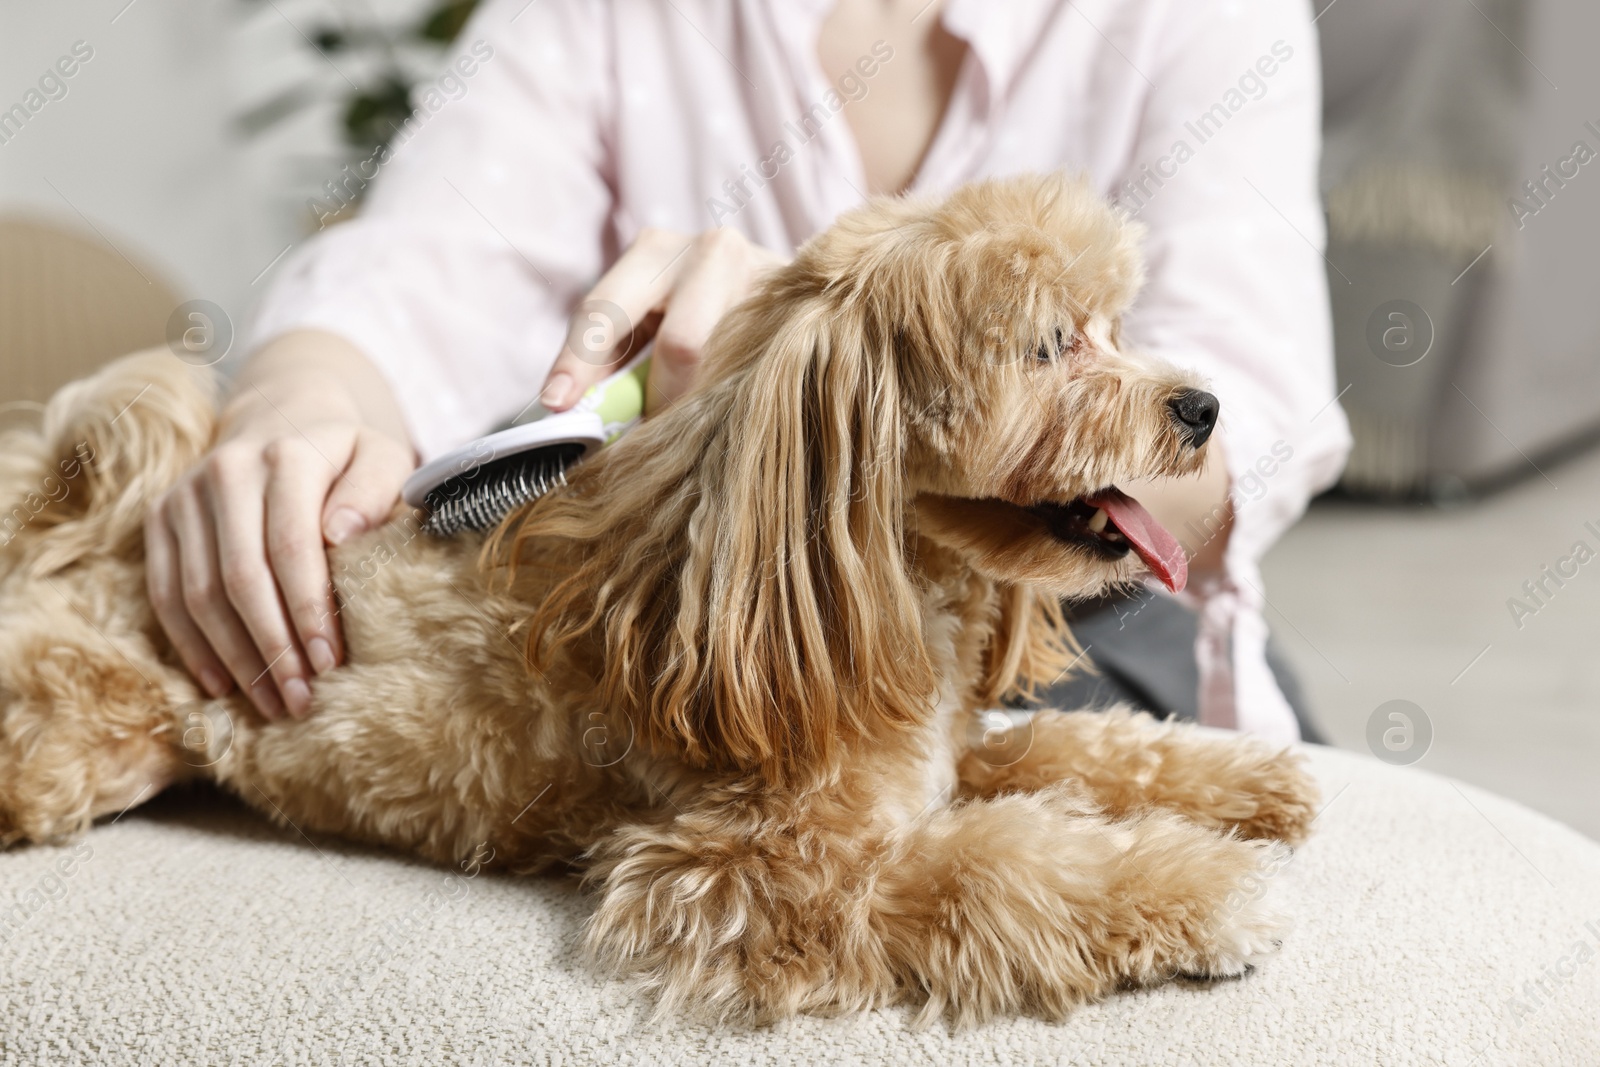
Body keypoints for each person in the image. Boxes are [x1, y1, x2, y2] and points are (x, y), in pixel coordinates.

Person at [144, 0, 1350, 741]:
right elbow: (415, 274)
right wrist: (300, 404)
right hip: (720, 619)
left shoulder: (1200, 15)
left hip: (1087, 627)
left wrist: (825, 365)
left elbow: (1232, 438)